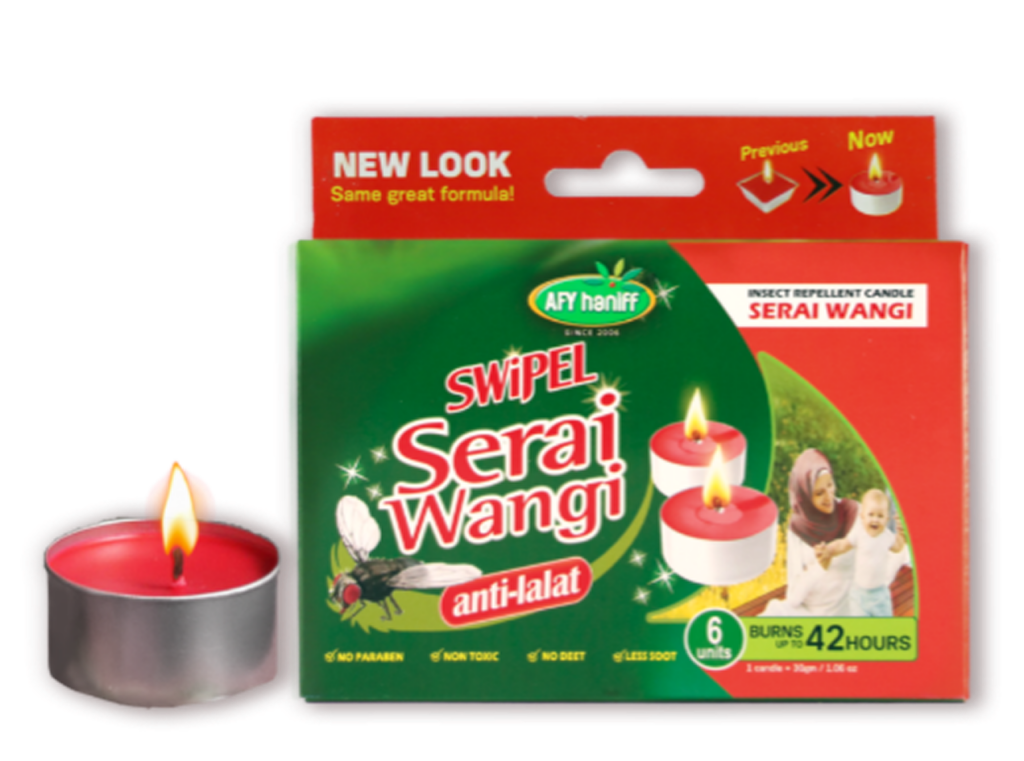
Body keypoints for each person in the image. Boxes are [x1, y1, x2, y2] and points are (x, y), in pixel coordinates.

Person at [818, 489, 907, 617]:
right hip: (859, 594)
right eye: (871, 514)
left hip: (880, 594)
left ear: (887, 519)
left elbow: (898, 547)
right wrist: (829, 550)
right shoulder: (859, 534)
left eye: (880, 516)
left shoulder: (887, 536)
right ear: (862, 516)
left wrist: (901, 532)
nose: (875, 519)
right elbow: (842, 545)